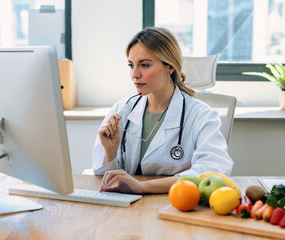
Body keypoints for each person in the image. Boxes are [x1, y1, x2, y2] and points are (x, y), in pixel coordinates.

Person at [92, 27, 233, 194]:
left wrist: (143, 187)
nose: (135, 74)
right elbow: (104, 178)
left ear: (170, 67)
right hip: (127, 206)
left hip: (177, 203)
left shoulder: (201, 115)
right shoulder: (121, 110)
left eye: (144, 65)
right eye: (131, 65)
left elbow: (214, 169)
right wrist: (110, 152)